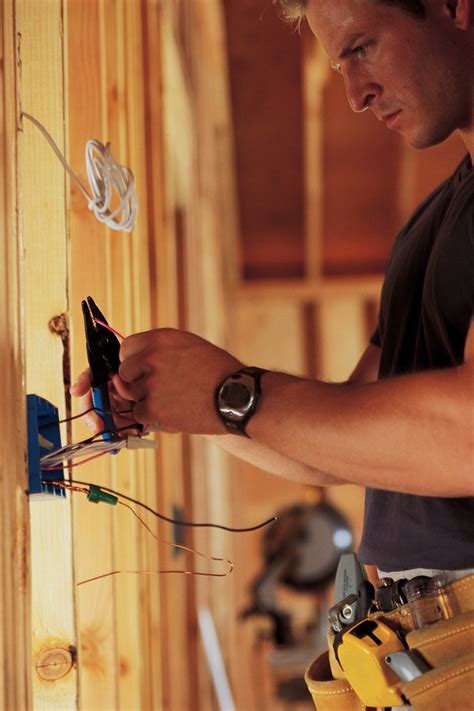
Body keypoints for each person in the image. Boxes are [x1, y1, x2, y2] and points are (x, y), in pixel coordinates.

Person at [72, 0, 473, 706]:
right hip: (412, 654)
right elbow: (338, 442)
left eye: (363, 48)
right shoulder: (429, 229)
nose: (353, 93)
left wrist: (235, 392)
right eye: (340, 64)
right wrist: (196, 406)